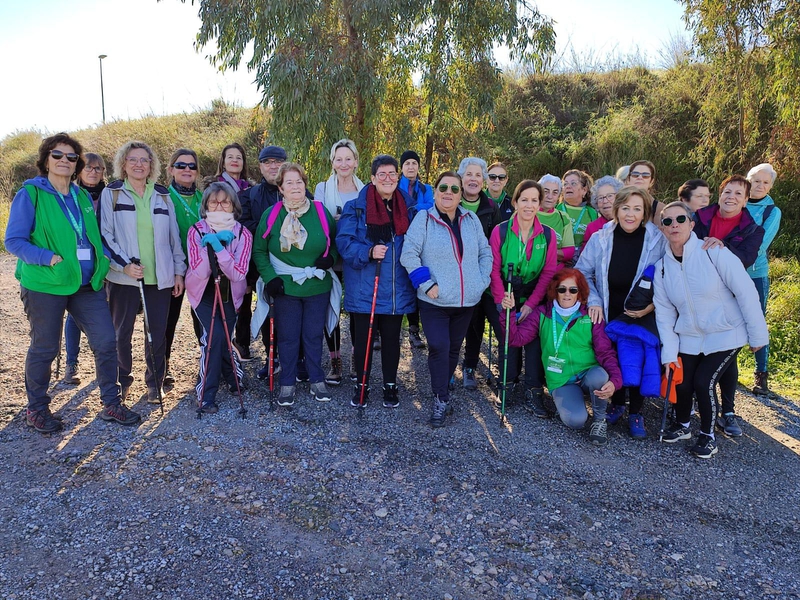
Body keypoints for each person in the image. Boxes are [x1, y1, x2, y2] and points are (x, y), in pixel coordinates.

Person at [5, 133, 140, 432]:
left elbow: (92, 238)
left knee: (106, 341)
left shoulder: (80, 196)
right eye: (58, 155)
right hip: (46, 284)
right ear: (45, 160)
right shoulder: (31, 194)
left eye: (71, 157)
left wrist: (107, 262)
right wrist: (46, 256)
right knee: (45, 347)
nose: (65, 161)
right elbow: (13, 240)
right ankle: (37, 408)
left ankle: (111, 403)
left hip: (86, 285)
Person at [655, 202, 768, 459]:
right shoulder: (662, 267)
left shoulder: (714, 252)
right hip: (690, 336)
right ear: (662, 229)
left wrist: (758, 335)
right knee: (682, 383)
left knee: (703, 382)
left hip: (727, 333)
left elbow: (746, 292)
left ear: (692, 224)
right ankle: (683, 425)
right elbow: (664, 313)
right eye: (668, 222)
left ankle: (707, 436)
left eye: (680, 219)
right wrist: (670, 354)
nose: (675, 225)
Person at [401, 171, 493, 428]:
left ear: (461, 193)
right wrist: (427, 284)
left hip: (466, 302)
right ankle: (440, 398)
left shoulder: (471, 219)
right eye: (443, 187)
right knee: (439, 346)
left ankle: (443, 392)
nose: (448, 193)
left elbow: (485, 252)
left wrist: (481, 280)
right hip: (435, 301)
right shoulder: (424, 219)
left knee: (453, 348)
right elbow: (409, 255)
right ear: (436, 191)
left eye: (454, 188)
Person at [99, 141, 186, 403]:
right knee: (121, 332)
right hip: (124, 276)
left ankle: (154, 383)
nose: (139, 164)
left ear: (152, 165)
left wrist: (179, 271)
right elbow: (105, 235)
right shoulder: (112, 193)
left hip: (160, 276)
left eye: (144, 160)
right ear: (123, 164)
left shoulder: (163, 195)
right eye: (133, 159)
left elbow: (174, 238)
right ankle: (122, 381)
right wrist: (123, 265)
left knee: (156, 333)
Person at [576, 186, 666, 438]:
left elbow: (666, 277)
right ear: (616, 210)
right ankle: (616, 404)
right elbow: (583, 271)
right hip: (608, 308)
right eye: (625, 208)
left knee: (639, 358)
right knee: (613, 358)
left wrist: (652, 305)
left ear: (645, 212)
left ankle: (636, 412)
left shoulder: (657, 240)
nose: (630, 214)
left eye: (637, 209)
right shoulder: (601, 238)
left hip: (642, 313)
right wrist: (593, 300)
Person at [501, 269, 622, 445]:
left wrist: (616, 380)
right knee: (576, 421)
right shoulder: (542, 314)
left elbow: (605, 352)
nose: (567, 294)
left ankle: (599, 420)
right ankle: (570, 404)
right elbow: (514, 339)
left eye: (573, 290)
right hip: (562, 379)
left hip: (588, 373)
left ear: (580, 292)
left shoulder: (590, 314)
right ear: (554, 291)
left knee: (600, 376)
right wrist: (509, 312)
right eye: (562, 289)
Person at [253, 162, 338, 406]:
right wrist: (271, 279)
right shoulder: (271, 215)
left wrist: (329, 258)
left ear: (305, 184)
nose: (295, 186)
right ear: (280, 188)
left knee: (313, 335)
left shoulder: (321, 212)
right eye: (289, 182)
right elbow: (259, 251)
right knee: (288, 337)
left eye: (299, 181)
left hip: (316, 285)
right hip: (285, 287)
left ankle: (316, 380)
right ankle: (287, 383)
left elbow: (332, 242)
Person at [337, 154, 416, 408]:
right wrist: (368, 252)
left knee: (393, 339)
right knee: (364, 340)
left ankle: (390, 385)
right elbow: (345, 243)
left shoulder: (409, 207)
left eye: (392, 174)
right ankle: (362, 384)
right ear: (372, 178)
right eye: (381, 174)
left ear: (398, 176)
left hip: (396, 286)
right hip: (365, 287)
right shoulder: (356, 207)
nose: (388, 178)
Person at [691, 174, 765, 437]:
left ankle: (729, 410)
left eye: (738, 194)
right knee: (699, 349)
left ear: (746, 201)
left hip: (730, 295)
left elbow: (745, 258)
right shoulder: (699, 217)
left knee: (726, 352)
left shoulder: (754, 230)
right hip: (697, 291)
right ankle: (696, 402)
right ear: (719, 194)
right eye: (727, 192)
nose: (731, 198)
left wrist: (722, 247)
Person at [488, 180, 557, 416]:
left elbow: (548, 272)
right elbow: (493, 268)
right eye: (524, 200)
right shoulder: (501, 231)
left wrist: (530, 304)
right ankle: (506, 383)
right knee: (508, 337)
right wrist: (501, 299)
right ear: (515, 202)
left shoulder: (548, 235)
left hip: (534, 295)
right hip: (506, 291)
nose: (529, 205)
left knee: (535, 342)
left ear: (540, 204)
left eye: (534, 200)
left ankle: (533, 390)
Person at [185, 182, 252, 414]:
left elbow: (238, 272)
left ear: (233, 205)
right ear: (206, 205)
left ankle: (234, 377)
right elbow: (200, 271)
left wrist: (221, 249)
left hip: (229, 294)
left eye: (225, 201)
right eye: (214, 202)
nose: (219, 206)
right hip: (203, 293)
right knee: (213, 339)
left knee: (223, 338)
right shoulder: (196, 231)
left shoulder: (243, 233)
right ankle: (206, 394)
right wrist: (209, 247)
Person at [314, 139, 365, 383]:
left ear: (355, 161)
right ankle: (335, 360)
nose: (343, 163)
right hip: (331, 256)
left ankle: (357, 358)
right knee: (330, 306)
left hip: (356, 257)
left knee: (356, 308)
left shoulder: (366, 189)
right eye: (338, 159)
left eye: (348, 158)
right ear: (332, 162)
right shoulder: (322, 188)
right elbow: (318, 221)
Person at [235, 144, 288, 372]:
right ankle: (272, 357)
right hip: (261, 266)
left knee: (292, 313)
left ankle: (296, 358)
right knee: (268, 311)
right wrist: (278, 230)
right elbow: (244, 227)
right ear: (260, 166)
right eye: (268, 162)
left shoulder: (300, 190)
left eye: (278, 161)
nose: (273, 166)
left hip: (292, 264)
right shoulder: (247, 196)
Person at [61, 152, 107, 385]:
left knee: (104, 315)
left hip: (103, 260)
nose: (93, 171)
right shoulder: (69, 193)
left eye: (99, 168)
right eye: (89, 167)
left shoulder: (109, 195)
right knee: (74, 314)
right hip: (75, 262)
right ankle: (72, 363)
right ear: (79, 170)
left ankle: (105, 366)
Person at [163, 148, 204, 386]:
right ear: (171, 170)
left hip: (201, 269)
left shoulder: (203, 198)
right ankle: (163, 365)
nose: (187, 169)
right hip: (173, 269)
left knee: (203, 318)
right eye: (181, 165)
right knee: (168, 319)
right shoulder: (163, 197)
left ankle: (207, 362)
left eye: (191, 166)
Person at [458, 157, 500, 389]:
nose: (473, 179)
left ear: (483, 180)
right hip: (458, 277)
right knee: (459, 325)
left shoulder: (491, 208)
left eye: (477, 175)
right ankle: (446, 368)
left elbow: (498, 243)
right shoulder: (452, 201)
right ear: (461, 178)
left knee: (477, 324)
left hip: (485, 276)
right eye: (469, 175)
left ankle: (470, 366)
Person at [745, 163, 781, 396]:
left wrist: (733, 264)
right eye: (756, 181)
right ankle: (728, 370)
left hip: (755, 274)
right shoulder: (737, 202)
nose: (760, 186)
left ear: (770, 186)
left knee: (757, 321)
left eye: (765, 182)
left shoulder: (772, 212)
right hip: (727, 273)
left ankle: (761, 375)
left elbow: (760, 244)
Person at [397, 149, 433, 351]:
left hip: (421, 240)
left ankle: (413, 329)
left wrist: (413, 208)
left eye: (414, 163)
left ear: (419, 167)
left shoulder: (426, 188)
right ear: (401, 167)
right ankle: (381, 330)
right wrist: (419, 207)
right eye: (407, 163)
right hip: (399, 237)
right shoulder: (396, 186)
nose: (411, 167)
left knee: (416, 282)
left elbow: (431, 206)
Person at [537, 174, 576, 268]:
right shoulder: (527, 212)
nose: (550, 196)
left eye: (555, 192)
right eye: (546, 191)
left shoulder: (564, 217)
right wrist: (556, 254)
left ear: (559, 196)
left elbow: (569, 251)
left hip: (556, 272)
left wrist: (539, 252)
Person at [557, 169, 597, 250]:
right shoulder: (554, 210)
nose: (568, 186)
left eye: (573, 183)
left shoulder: (594, 214)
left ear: (584, 190)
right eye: (565, 184)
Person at [582, 175, 623, 249]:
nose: (605, 201)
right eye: (600, 198)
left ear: (620, 197)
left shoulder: (629, 223)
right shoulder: (592, 228)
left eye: (610, 196)